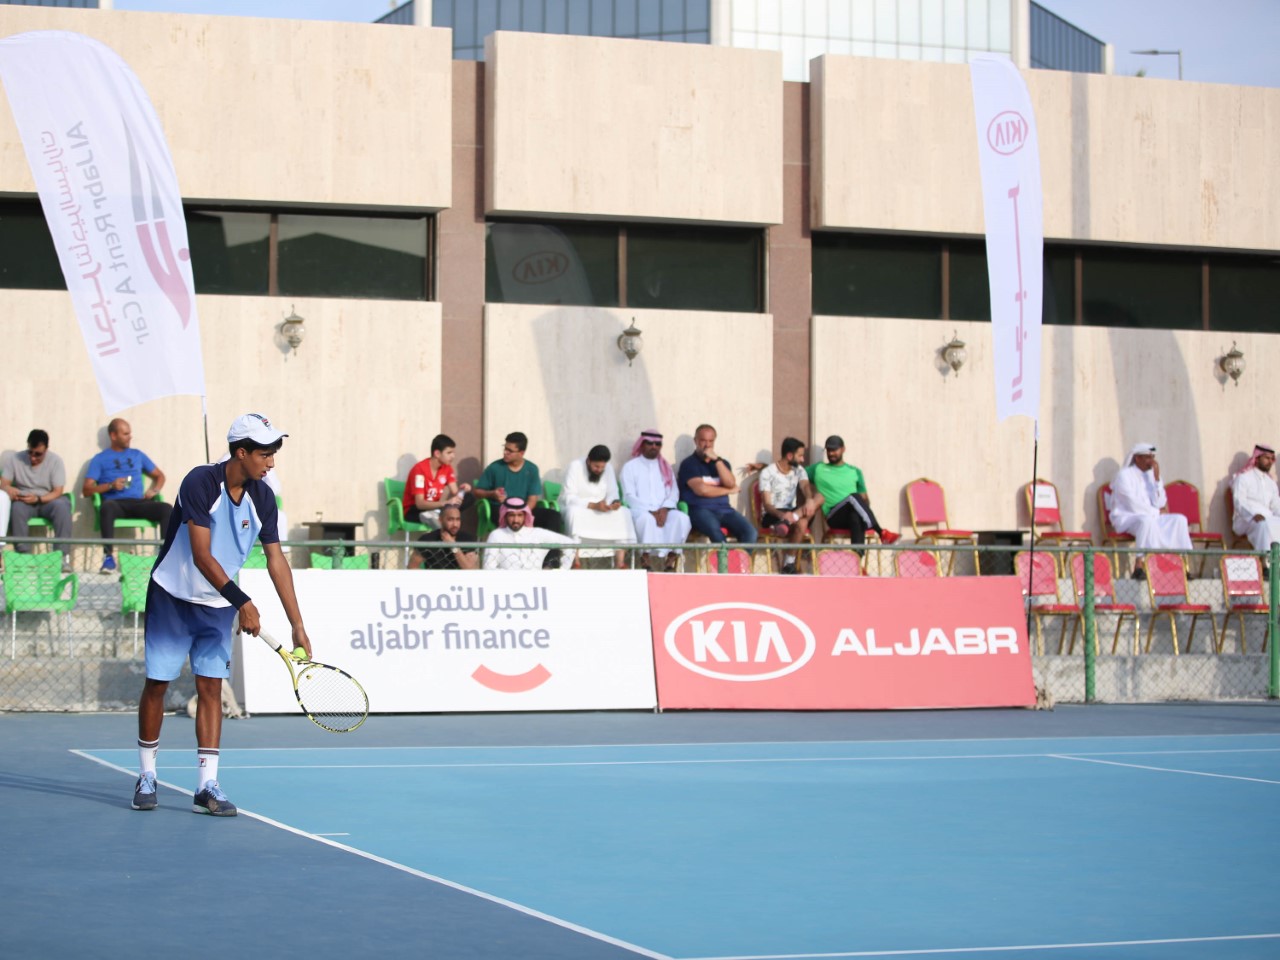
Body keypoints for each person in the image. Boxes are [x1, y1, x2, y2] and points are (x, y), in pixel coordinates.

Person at [131, 413, 312, 817]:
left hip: (216, 606)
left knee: (211, 688)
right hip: (172, 596)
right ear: (241, 452)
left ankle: (206, 785)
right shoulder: (199, 482)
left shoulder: (263, 498)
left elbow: (276, 560)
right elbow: (200, 555)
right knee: (158, 684)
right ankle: (146, 775)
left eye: (274, 452)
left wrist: (297, 626)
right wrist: (243, 602)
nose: (272, 461)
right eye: (265, 452)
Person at [82, 418, 174, 574]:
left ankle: (163, 557)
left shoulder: (137, 455)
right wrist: (110, 485)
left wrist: (155, 490)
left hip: (139, 503)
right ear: (113, 436)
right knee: (107, 507)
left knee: (166, 509)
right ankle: (108, 558)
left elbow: (160, 476)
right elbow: (86, 490)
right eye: (125, 434)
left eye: (129, 433)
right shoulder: (100, 459)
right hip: (116, 503)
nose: (130, 437)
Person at [1109, 442, 1192, 579]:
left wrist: (1157, 479)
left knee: (1179, 520)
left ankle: (1181, 565)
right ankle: (1140, 566)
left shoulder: (1151, 475)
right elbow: (1132, 505)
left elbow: (1160, 502)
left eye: (1152, 457)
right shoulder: (1124, 476)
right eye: (1148, 458)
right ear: (1137, 458)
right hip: (1127, 517)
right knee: (1147, 522)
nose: (1152, 462)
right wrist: (1157, 513)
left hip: (1151, 515)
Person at [743, 437, 825, 573]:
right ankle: (789, 563)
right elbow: (767, 504)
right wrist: (782, 515)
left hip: (792, 512)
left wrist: (809, 500)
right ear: (789, 455)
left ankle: (791, 519)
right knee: (802, 523)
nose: (802, 460)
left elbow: (805, 486)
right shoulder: (767, 473)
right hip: (773, 514)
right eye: (800, 456)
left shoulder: (799, 470)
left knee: (819, 497)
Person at [619, 429, 692, 572]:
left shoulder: (665, 467)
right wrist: (651, 511)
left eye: (657, 444)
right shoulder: (630, 467)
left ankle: (670, 562)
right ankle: (645, 560)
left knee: (682, 519)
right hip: (640, 510)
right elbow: (628, 495)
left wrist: (664, 509)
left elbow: (673, 492)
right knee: (646, 520)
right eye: (650, 443)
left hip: (665, 510)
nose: (654, 447)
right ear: (642, 444)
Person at [806, 435, 899, 546]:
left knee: (855, 516)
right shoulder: (818, 469)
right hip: (833, 517)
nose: (831, 453)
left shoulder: (854, 471)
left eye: (834, 450)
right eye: (829, 450)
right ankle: (881, 532)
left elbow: (865, 499)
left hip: (852, 517)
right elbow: (797, 474)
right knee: (853, 498)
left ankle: (857, 558)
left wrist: (863, 504)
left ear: (843, 449)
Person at [1, 429, 72, 566]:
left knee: (62, 506)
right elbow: (4, 483)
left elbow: (58, 491)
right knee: (17, 508)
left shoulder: (56, 461)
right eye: (30, 452)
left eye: (38, 454)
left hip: (48, 499)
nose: (33, 458)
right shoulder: (15, 459)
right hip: (24, 499)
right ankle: (22, 557)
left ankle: (62, 557)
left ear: (46, 449)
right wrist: (10, 489)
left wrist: (39, 499)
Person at [677, 423, 757, 545]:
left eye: (711, 441)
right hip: (699, 510)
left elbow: (730, 483)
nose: (707, 445)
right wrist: (728, 491)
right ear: (695, 441)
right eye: (703, 441)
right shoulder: (689, 464)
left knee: (751, 532)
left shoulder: (722, 463)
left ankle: (739, 564)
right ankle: (723, 563)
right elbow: (702, 490)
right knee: (716, 532)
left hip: (725, 510)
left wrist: (717, 460)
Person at [560, 444, 637, 568]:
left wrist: (614, 503)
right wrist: (592, 505)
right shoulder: (575, 466)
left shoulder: (608, 468)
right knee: (573, 513)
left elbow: (613, 492)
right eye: (596, 466)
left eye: (602, 467)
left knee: (624, 513)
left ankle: (620, 562)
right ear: (588, 461)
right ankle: (576, 561)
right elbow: (568, 497)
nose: (599, 470)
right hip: (580, 507)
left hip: (601, 508)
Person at [482, 497, 578, 570]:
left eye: (520, 515)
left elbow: (571, 544)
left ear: (525, 516)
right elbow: (488, 567)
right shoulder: (496, 535)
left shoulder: (537, 534)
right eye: (512, 515)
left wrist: (561, 572)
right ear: (505, 516)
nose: (516, 520)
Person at [403, 433, 472, 527]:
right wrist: (445, 503)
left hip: (434, 509)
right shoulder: (419, 469)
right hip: (415, 510)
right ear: (437, 454)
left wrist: (463, 490)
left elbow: (455, 493)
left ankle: (440, 516)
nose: (453, 456)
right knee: (433, 516)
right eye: (449, 453)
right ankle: (439, 518)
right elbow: (419, 504)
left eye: (453, 453)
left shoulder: (447, 468)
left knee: (469, 497)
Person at [1231, 443, 1280, 554]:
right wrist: (1253, 515)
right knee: (1264, 525)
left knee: (1270, 523)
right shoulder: (1243, 478)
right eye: (1266, 458)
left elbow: (1276, 505)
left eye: (1272, 459)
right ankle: (1266, 563)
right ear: (1256, 458)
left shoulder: (1271, 483)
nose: (1270, 462)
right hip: (1246, 519)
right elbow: (1239, 502)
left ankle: (1277, 565)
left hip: (1267, 518)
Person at [410, 503, 478, 570]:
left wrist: (453, 546)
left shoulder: (467, 539)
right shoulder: (427, 539)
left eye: (458, 520)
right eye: (450, 520)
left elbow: (470, 570)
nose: (455, 524)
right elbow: (412, 567)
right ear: (440, 520)